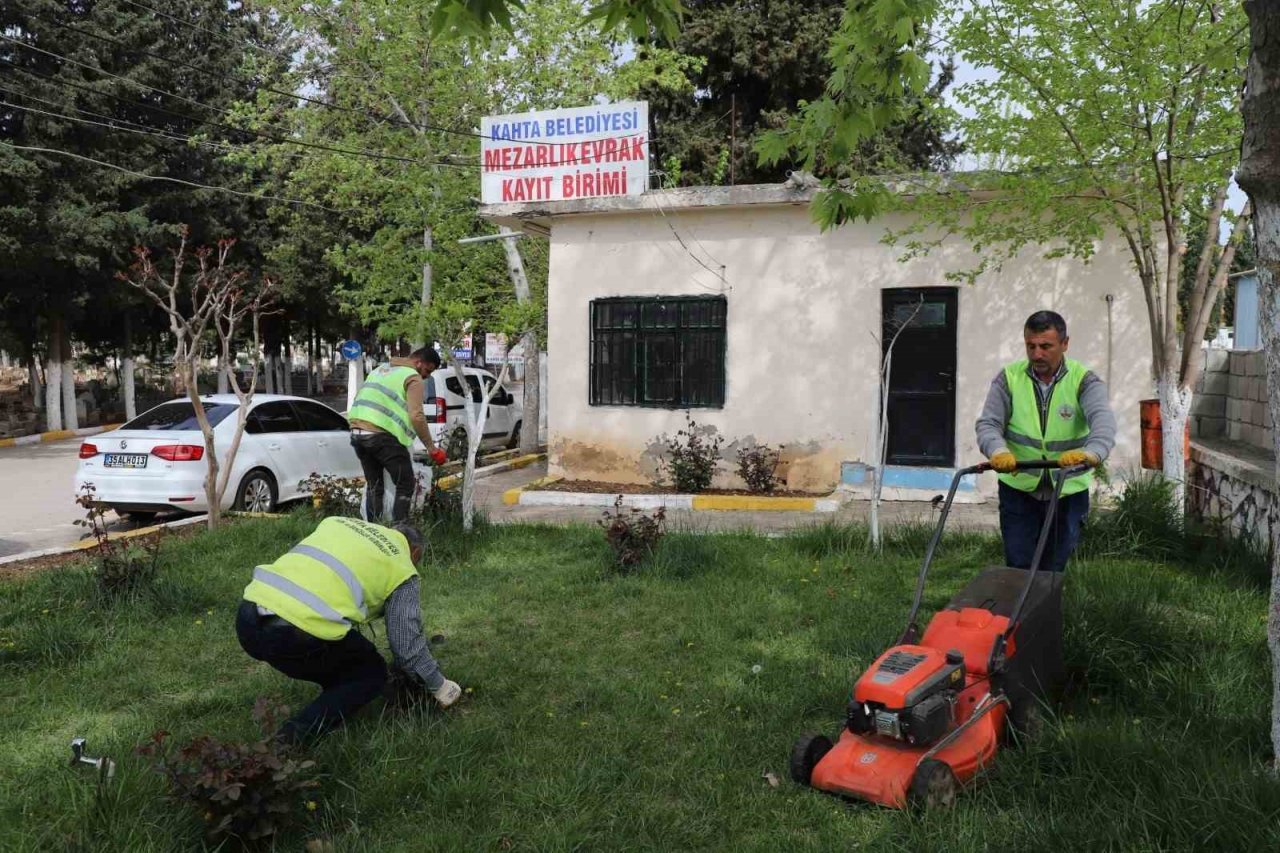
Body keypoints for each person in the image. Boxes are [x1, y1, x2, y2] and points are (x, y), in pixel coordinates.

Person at [236, 517, 462, 744]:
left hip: (248, 618)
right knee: (371, 674)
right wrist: (440, 686)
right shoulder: (402, 567)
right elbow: (406, 647)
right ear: (414, 553)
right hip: (293, 635)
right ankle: (287, 743)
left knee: (347, 653)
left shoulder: (339, 523)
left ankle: (339, 698)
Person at [976, 310, 1117, 572]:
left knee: (1055, 567)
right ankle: (1020, 612)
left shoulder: (1084, 380)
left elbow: (1103, 424)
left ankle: (1047, 612)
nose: (1037, 354)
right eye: (1031, 346)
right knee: (1019, 564)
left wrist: (1091, 454)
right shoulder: (1009, 378)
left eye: (1045, 346)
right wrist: (997, 451)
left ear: (1065, 344)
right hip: (1019, 488)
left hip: (1067, 491)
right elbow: (988, 424)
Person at [348, 347, 448, 522]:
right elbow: (416, 416)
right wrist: (432, 449)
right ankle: (400, 531)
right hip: (381, 435)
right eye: (427, 371)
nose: (426, 376)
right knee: (405, 483)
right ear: (419, 363)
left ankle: (373, 531)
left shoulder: (380, 369)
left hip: (358, 433)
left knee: (375, 486)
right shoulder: (412, 377)